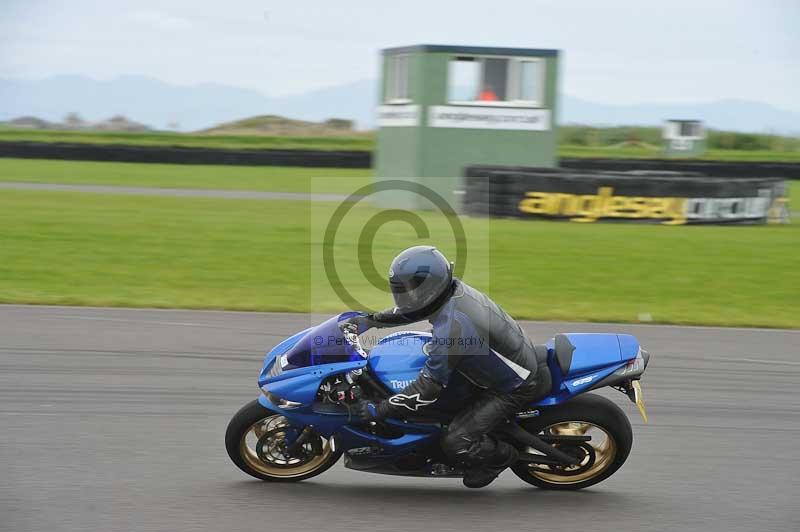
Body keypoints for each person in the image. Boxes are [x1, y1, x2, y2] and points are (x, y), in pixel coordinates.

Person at [343, 245, 551, 488]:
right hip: (497, 361)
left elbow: (427, 390)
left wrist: (379, 410)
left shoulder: (452, 328)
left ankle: (500, 457)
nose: (405, 297)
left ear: (429, 288)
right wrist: (371, 321)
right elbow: (416, 308)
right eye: (402, 291)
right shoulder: (451, 292)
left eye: (410, 291)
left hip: (513, 385)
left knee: (455, 442)